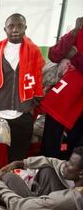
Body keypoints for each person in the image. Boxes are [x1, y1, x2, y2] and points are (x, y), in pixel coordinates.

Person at [0, 13, 44, 178]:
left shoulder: (33, 51)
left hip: (22, 114)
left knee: (18, 154)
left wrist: (30, 104)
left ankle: (12, 182)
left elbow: (39, 79)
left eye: (19, 26)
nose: (15, 30)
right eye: (11, 26)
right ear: (5, 29)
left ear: (25, 28)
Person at [40, 17, 83, 159]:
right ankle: (44, 171)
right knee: (50, 140)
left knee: (73, 144)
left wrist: (75, 56)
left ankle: (67, 175)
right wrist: (75, 31)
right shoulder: (78, 32)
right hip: (63, 96)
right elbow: (54, 55)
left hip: (78, 102)